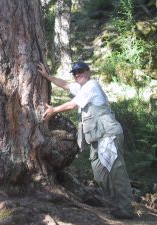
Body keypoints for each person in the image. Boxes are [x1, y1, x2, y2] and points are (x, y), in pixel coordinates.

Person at [38, 61, 134, 219]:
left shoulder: (92, 85)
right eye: (74, 72)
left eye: (80, 71)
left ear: (88, 72)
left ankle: (126, 208)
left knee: (116, 172)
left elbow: (73, 104)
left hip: (108, 135)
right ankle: (118, 203)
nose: (77, 74)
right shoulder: (82, 88)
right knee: (99, 173)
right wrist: (47, 76)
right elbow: (66, 85)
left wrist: (54, 110)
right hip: (97, 139)